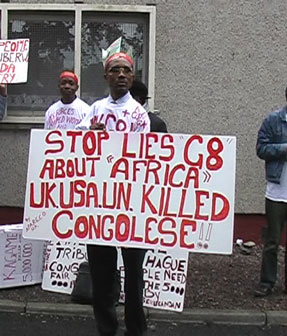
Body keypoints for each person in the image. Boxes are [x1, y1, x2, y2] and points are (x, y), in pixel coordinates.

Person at [77, 52, 150, 336]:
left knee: (134, 275)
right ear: (106, 76)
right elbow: (75, 153)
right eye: (115, 70)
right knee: (102, 273)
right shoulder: (92, 111)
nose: (121, 75)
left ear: (132, 78)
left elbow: (144, 158)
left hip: (132, 206)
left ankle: (136, 330)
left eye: (127, 71)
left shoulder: (139, 115)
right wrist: (88, 139)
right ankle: (106, 329)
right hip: (99, 205)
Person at [254, 86, 287, 297]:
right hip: (277, 192)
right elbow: (261, 148)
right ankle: (267, 282)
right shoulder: (273, 120)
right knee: (272, 241)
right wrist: (284, 148)